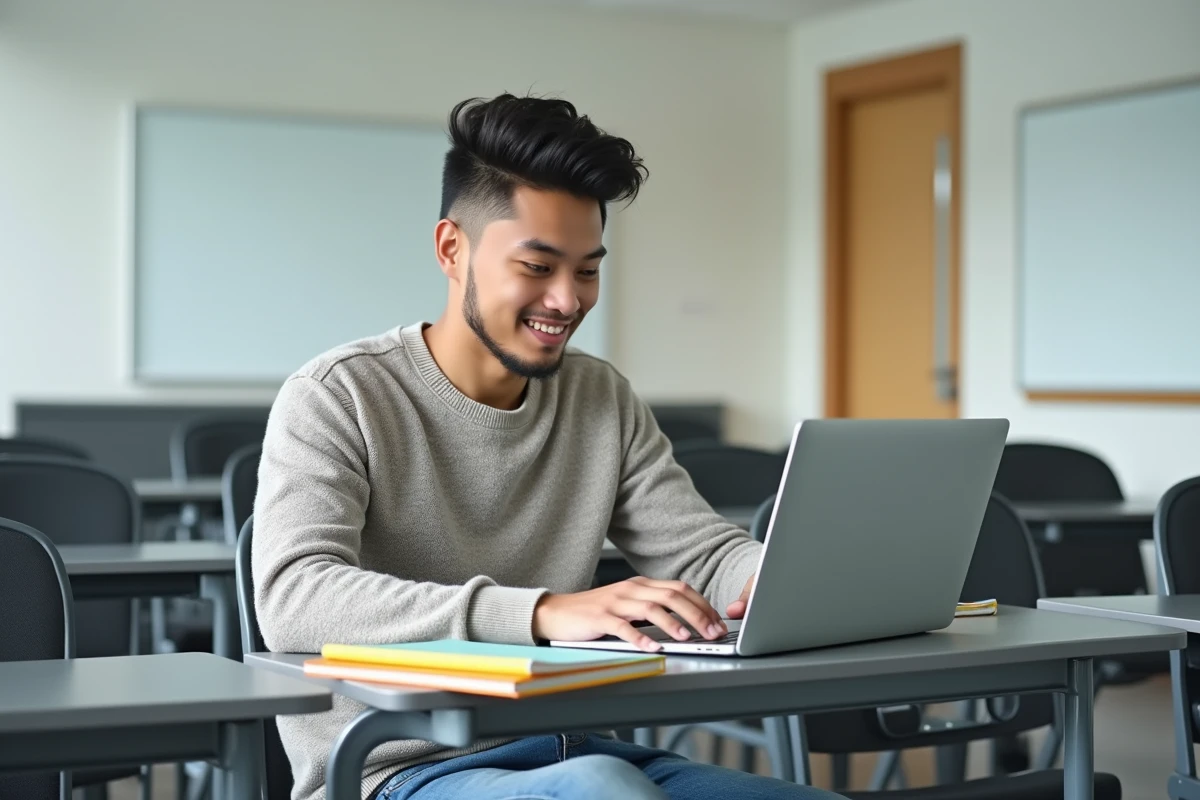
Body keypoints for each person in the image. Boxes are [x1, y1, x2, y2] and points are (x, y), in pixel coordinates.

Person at [254, 93, 845, 800]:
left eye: (588, 270)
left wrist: (779, 579)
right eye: (537, 267)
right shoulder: (337, 394)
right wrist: (537, 613)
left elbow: (701, 554)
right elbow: (295, 596)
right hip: (398, 767)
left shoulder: (600, 396)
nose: (567, 301)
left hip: (584, 747)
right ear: (452, 249)